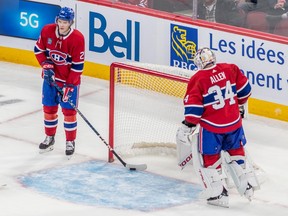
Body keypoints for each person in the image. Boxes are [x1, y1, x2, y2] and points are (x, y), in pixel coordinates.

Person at [176, 47, 259, 207]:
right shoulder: (230, 68)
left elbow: (194, 110)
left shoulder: (198, 79)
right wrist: (239, 105)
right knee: (236, 152)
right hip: (234, 123)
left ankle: (217, 193)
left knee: (209, 157)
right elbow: (245, 91)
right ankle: (247, 183)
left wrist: (188, 126)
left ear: (199, 63)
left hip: (213, 128)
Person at [34, 7, 85, 157]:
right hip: (50, 80)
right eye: (60, 21)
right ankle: (50, 138)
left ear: (71, 23)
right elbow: (38, 50)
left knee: (69, 112)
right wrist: (45, 64)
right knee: (49, 110)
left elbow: (77, 66)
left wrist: (70, 85)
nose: (62, 25)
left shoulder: (78, 38)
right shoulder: (47, 30)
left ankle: (70, 141)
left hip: (69, 83)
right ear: (57, 20)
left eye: (65, 22)